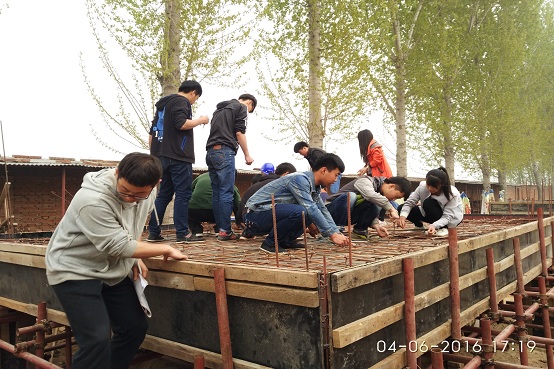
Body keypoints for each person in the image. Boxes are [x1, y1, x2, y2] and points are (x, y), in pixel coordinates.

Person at [45, 152, 187, 369]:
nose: (130, 198)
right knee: (95, 340)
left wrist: (136, 256)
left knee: (134, 329)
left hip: (112, 269)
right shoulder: (92, 200)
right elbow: (117, 245)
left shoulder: (148, 192)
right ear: (117, 172)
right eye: (125, 191)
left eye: (138, 195)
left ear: (155, 185)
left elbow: (136, 226)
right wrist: (163, 248)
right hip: (75, 269)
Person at [244, 153, 350, 253]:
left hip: (266, 214)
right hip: (254, 216)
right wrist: (332, 235)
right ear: (324, 170)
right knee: (303, 211)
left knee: (308, 212)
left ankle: (285, 240)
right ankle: (270, 244)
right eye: (336, 175)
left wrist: (337, 233)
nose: (336, 180)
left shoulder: (315, 187)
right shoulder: (300, 179)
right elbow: (311, 208)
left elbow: (322, 210)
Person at [147, 80, 209, 243]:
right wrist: (201, 120)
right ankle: (183, 233)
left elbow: (152, 133)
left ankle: (153, 232)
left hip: (160, 156)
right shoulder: (182, 101)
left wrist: (155, 154)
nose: (194, 101)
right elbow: (181, 123)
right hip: (178, 155)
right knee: (183, 194)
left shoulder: (162, 106)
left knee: (164, 195)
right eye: (196, 98)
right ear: (193, 92)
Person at [206, 93, 257, 241]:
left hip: (211, 152)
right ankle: (225, 231)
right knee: (226, 192)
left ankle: (221, 229)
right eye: (250, 108)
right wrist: (247, 154)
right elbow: (239, 132)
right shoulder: (241, 107)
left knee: (217, 193)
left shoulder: (219, 110)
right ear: (249, 102)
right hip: (225, 151)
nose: (248, 110)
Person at [326, 176, 412, 239]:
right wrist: (391, 209)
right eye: (396, 196)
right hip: (330, 213)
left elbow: (370, 205)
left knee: (378, 201)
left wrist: (377, 226)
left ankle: (360, 230)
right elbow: (370, 195)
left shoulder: (379, 194)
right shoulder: (365, 181)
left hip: (348, 216)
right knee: (350, 196)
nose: (394, 199)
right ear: (391, 186)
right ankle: (335, 231)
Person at [396, 167, 464, 236]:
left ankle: (443, 228)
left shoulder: (452, 194)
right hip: (429, 214)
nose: (430, 188)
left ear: (442, 185)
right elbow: (409, 203)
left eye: (434, 186)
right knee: (401, 208)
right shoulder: (422, 187)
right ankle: (419, 226)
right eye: (428, 184)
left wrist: (435, 225)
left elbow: (448, 216)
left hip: (449, 219)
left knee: (429, 203)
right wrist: (402, 217)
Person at [237, 162, 297, 228]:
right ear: (286, 174)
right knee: (295, 210)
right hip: (255, 221)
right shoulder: (278, 185)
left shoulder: (257, 185)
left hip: (246, 221)